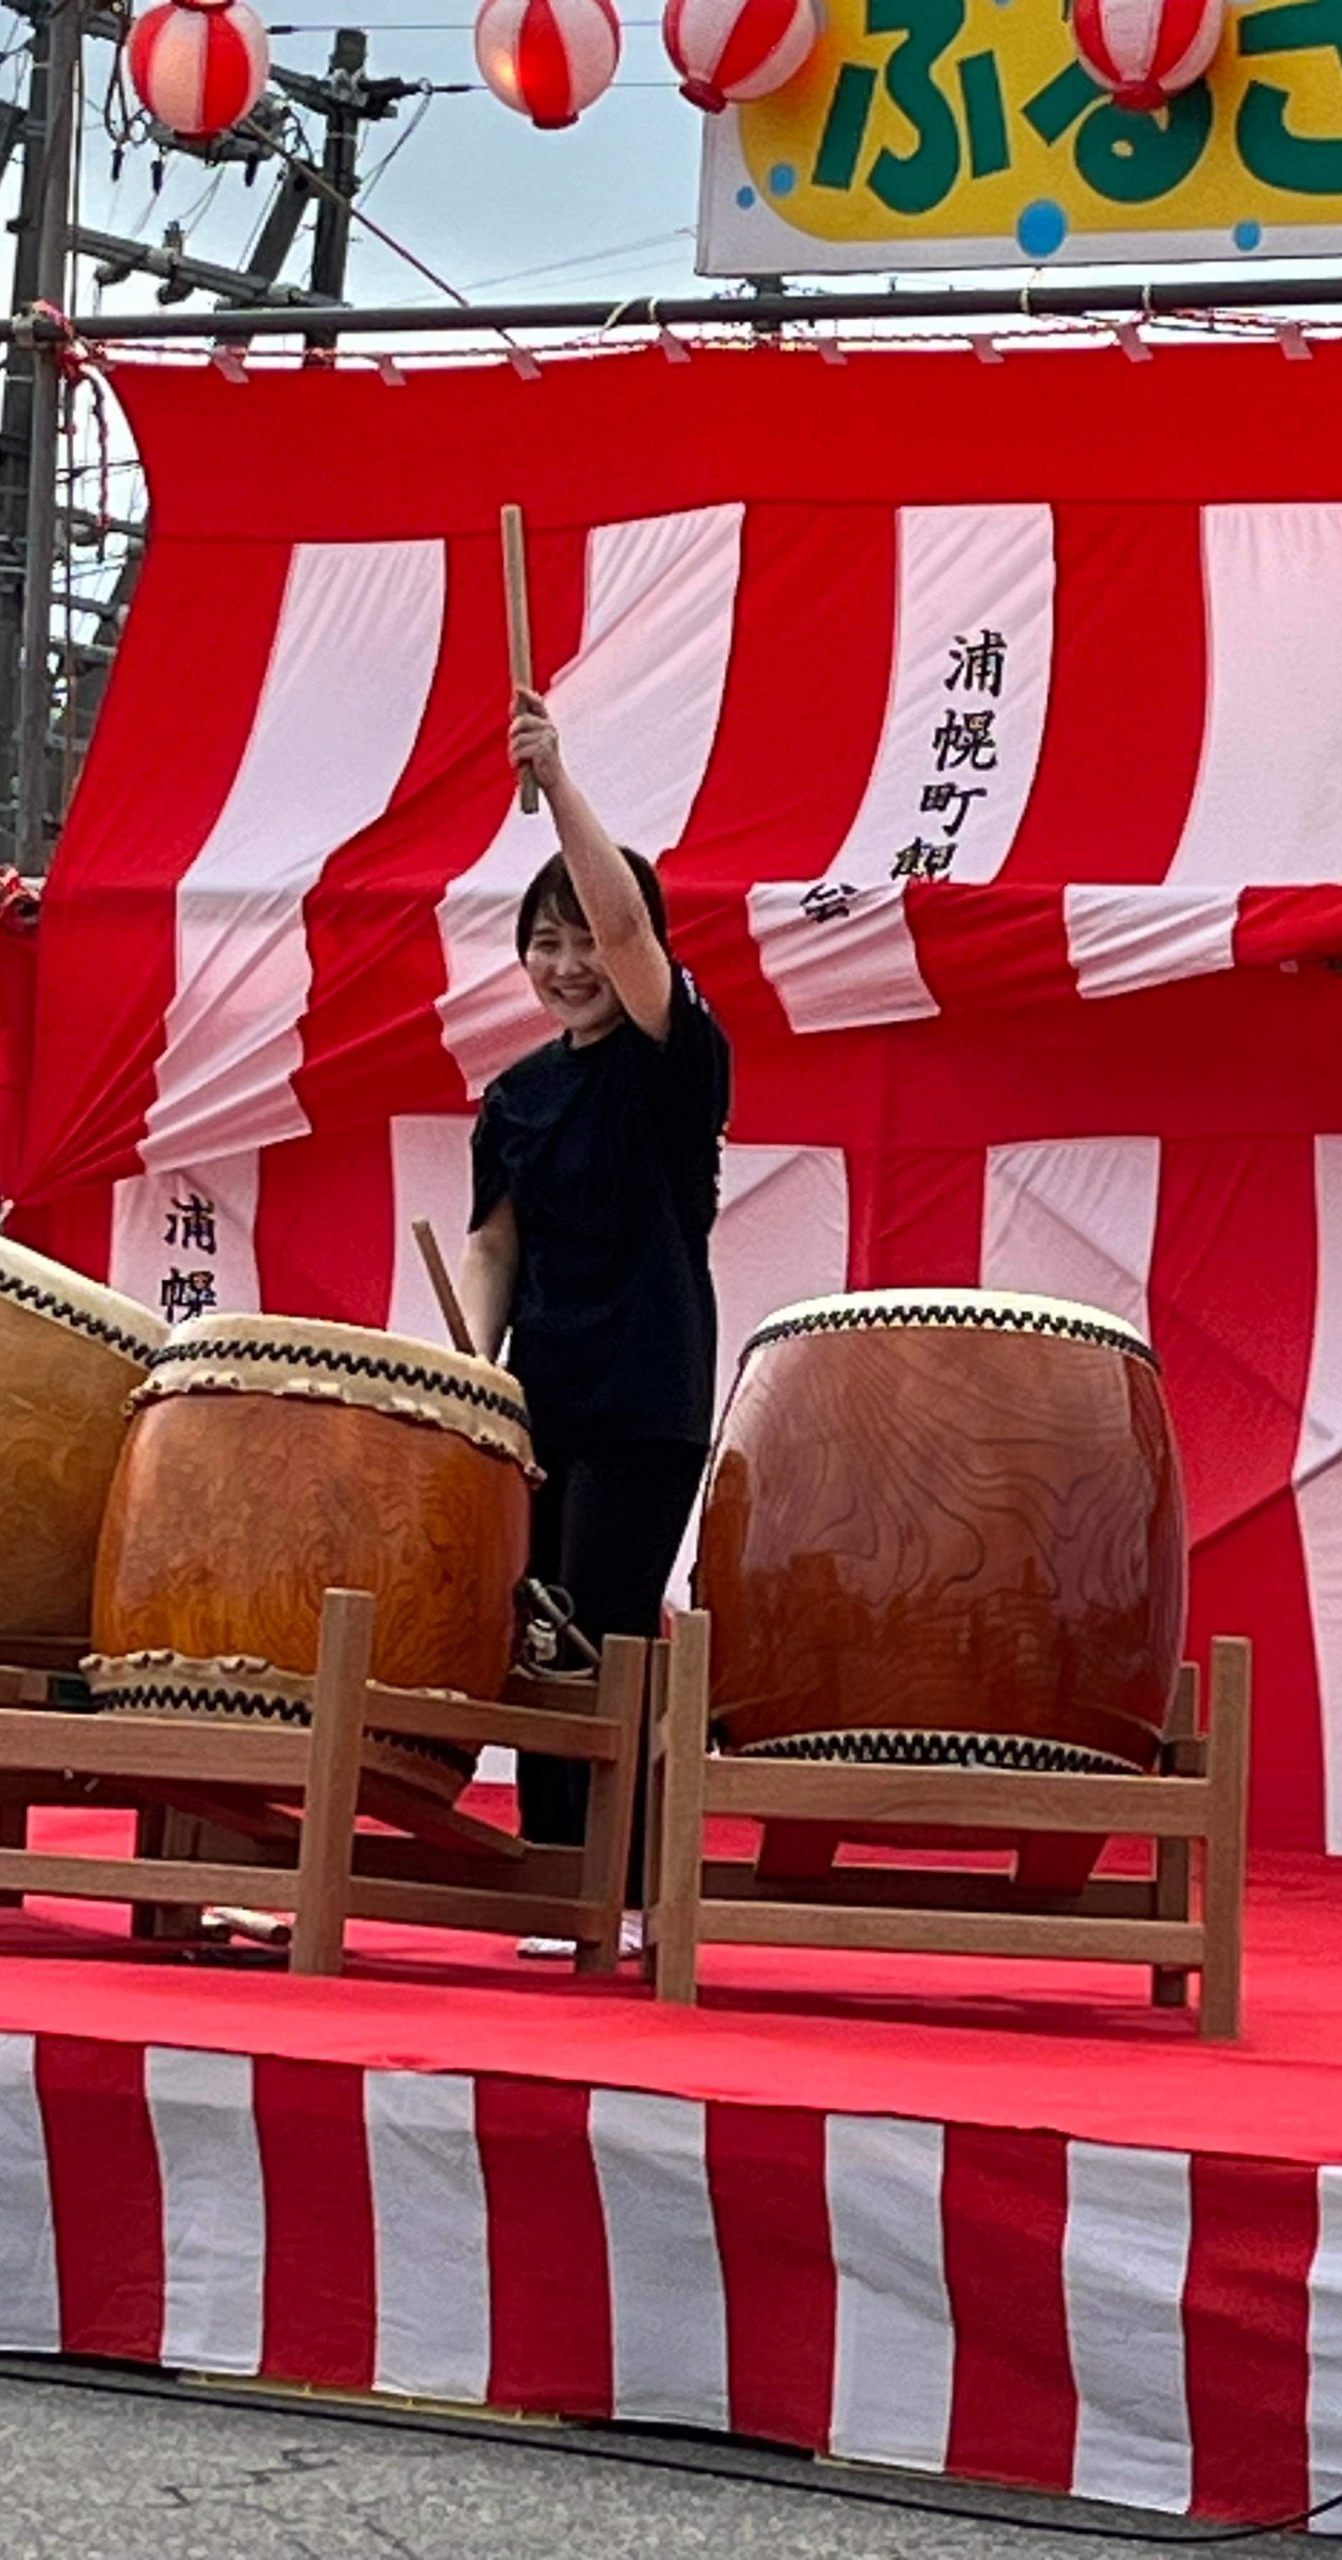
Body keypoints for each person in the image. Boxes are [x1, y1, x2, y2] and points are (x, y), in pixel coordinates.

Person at [459, 688, 731, 1956]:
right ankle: (568, 1873)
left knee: (601, 1625)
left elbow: (629, 926)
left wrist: (557, 780)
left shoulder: (676, 1055)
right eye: (543, 942)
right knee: (539, 1629)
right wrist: (471, 1375)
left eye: (583, 937)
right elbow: (494, 1240)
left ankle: (612, 1888)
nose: (569, 961)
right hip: (541, 1393)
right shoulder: (514, 1095)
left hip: (646, 1388)